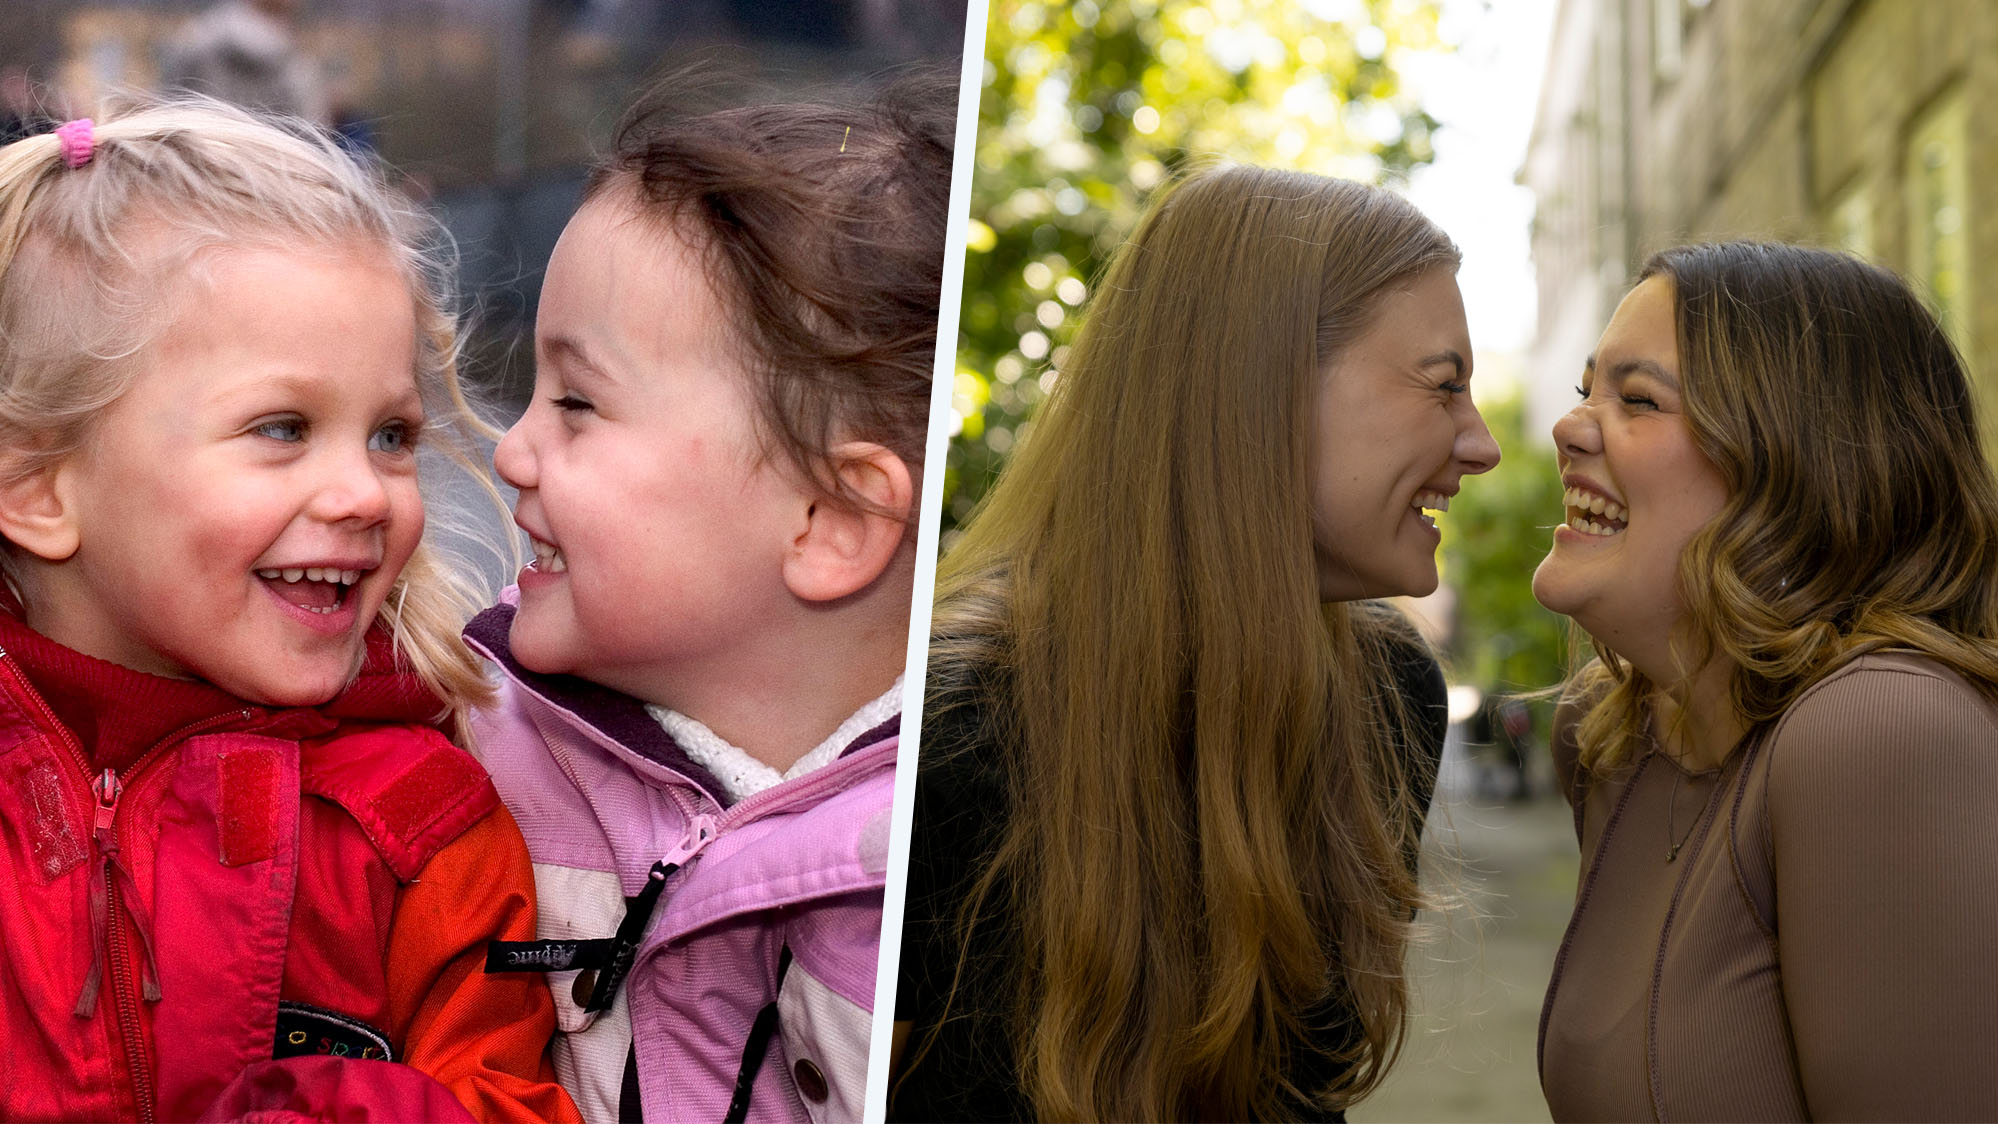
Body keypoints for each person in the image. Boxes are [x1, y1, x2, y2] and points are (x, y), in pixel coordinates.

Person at [0, 100, 579, 1123]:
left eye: (392, 435)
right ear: (38, 488)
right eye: (282, 427)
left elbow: (504, 1095)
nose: (364, 494)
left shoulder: (420, 827)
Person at [891, 165, 1501, 1121]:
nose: (1481, 443)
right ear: (1261, 391)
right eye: (1444, 386)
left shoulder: (1389, 691)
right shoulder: (947, 737)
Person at [465, 71, 951, 1123]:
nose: (512, 450)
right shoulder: (449, 758)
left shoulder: (955, 867)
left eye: (578, 403)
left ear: (829, 521)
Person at [1533, 241, 1998, 1119]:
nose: (1570, 428)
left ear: (1801, 468)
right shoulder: (1610, 736)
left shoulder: (1882, 730)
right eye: (1585, 390)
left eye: (1639, 400)